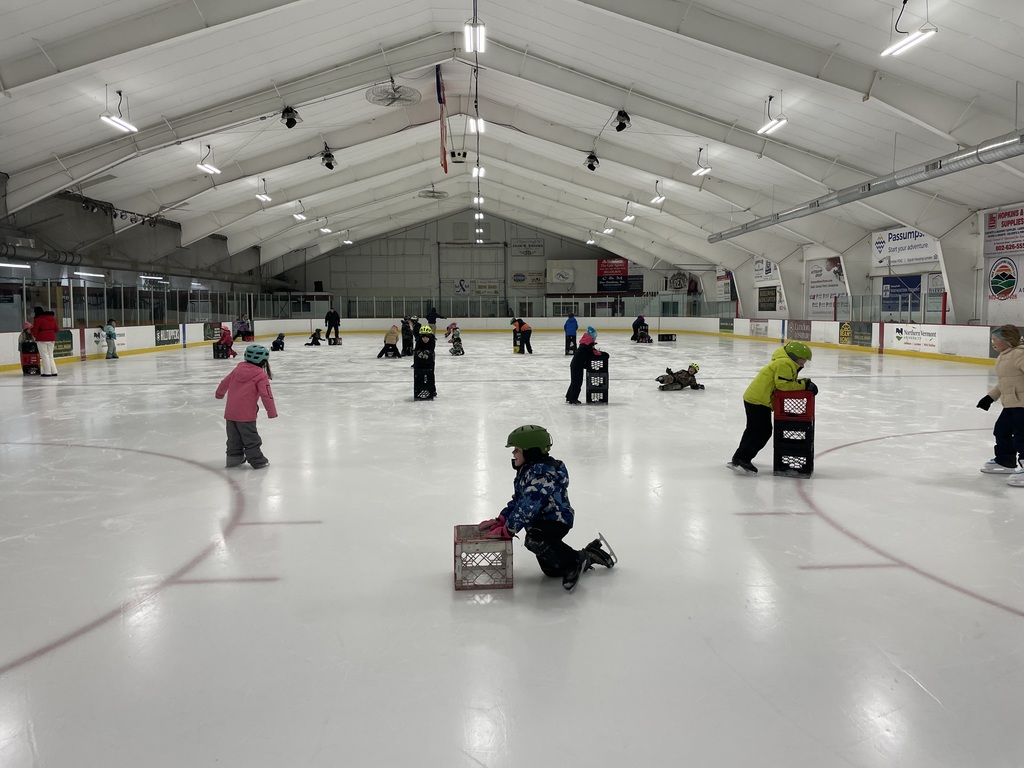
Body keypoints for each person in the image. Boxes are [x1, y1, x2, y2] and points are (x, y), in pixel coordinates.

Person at [476, 425, 615, 592]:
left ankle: (574, 563)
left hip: (555, 519)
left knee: (535, 539)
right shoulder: (527, 471)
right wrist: (502, 519)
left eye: (517, 450)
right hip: (540, 521)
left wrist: (509, 529)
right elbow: (519, 501)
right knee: (552, 570)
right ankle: (588, 555)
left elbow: (527, 506)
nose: (513, 453)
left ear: (530, 451)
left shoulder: (541, 475)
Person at [728, 341, 818, 475]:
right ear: (794, 356)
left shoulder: (784, 362)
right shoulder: (785, 364)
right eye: (802, 360)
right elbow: (784, 385)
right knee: (762, 431)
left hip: (755, 398)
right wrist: (805, 384)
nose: (803, 363)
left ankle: (740, 456)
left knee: (753, 430)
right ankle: (742, 458)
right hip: (759, 400)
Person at [215, 344, 277, 469]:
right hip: (246, 415)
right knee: (251, 438)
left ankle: (233, 459)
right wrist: (272, 412)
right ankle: (258, 461)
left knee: (233, 438)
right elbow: (267, 395)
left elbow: (224, 382)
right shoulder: (261, 375)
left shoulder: (238, 368)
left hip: (230, 413)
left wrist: (219, 394)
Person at [977, 325, 1024, 485]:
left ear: (1006, 340)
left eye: (995, 340)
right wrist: (990, 398)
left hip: (1022, 405)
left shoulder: (1019, 355)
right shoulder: (1005, 356)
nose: (992, 343)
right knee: (1001, 430)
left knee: (1021, 436)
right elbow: (1004, 383)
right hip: (1012, 404)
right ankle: (1005, 461)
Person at [565, 326, 600, 404]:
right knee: (577, 382)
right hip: (577, 365)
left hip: (576, 364)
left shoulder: (585, 342)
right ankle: (573, 398)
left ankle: (569, 396)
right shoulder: (587, 345)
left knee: (574, 381)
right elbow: (591, 352)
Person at [30, 306, 59, 377]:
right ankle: (54, 371)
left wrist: (31, 330)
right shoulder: (52, 318)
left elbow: (35, 330)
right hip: (52, 338)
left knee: (44, 356)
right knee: (50, 356)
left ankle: (47, 372)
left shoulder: (38, 319)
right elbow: (57, 329)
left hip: (42, 339)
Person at [412, 324, 437, 400]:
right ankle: (419, 388)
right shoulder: (419, 340)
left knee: (430, 374)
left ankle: (432, 389)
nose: (425, 339)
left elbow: (431, 349)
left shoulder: (432, 340)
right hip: (419, 360)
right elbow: (416, 350)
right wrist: (419, 353)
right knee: (419, 374)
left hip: (430, 360)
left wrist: (427, 353)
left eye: (427, 337)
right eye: (423, 337)